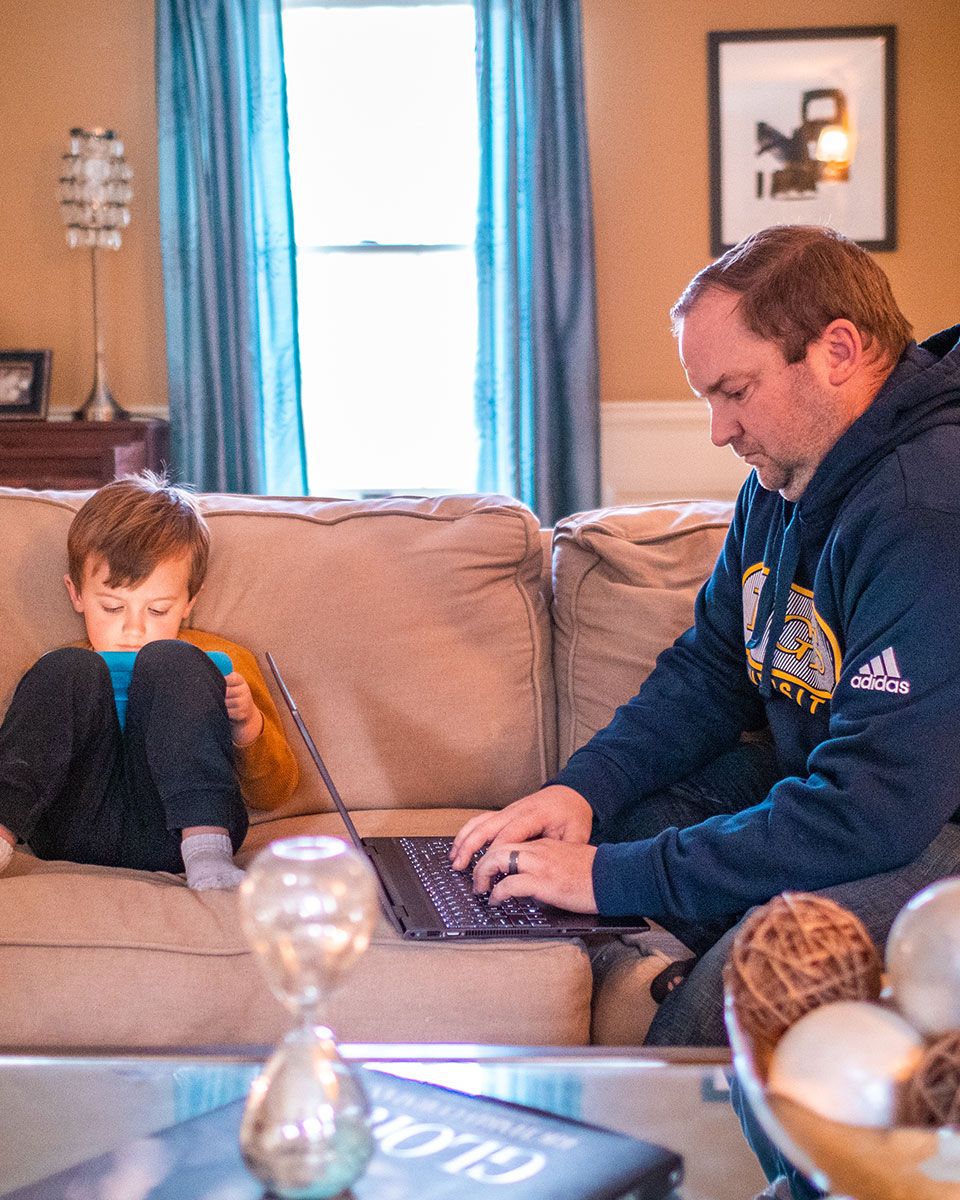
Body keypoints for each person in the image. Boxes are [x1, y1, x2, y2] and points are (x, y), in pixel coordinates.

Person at [451, 223, 960, 1045]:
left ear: (838, 351)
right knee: (617, 825)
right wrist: (582, 792)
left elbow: (875, 810)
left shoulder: (927, 507)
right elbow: (713, 669)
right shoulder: (787, 471)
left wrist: (613, 877)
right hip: (839, 787)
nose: (718, 430)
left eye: (736, 391)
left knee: (735, 991)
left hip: (928, 827)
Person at [0, 471, 298, 890]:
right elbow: (25, 753)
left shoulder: (222, 663)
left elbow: (276, 792)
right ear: (77, 595)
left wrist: (248, 728)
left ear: (188, 602)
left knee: (174, 660)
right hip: (73, 826)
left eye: (157, 610)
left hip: (176, 832)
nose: (134, 630)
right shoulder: (68, 669)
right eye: (112, 607)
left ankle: (208, 855)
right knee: (62, 668)